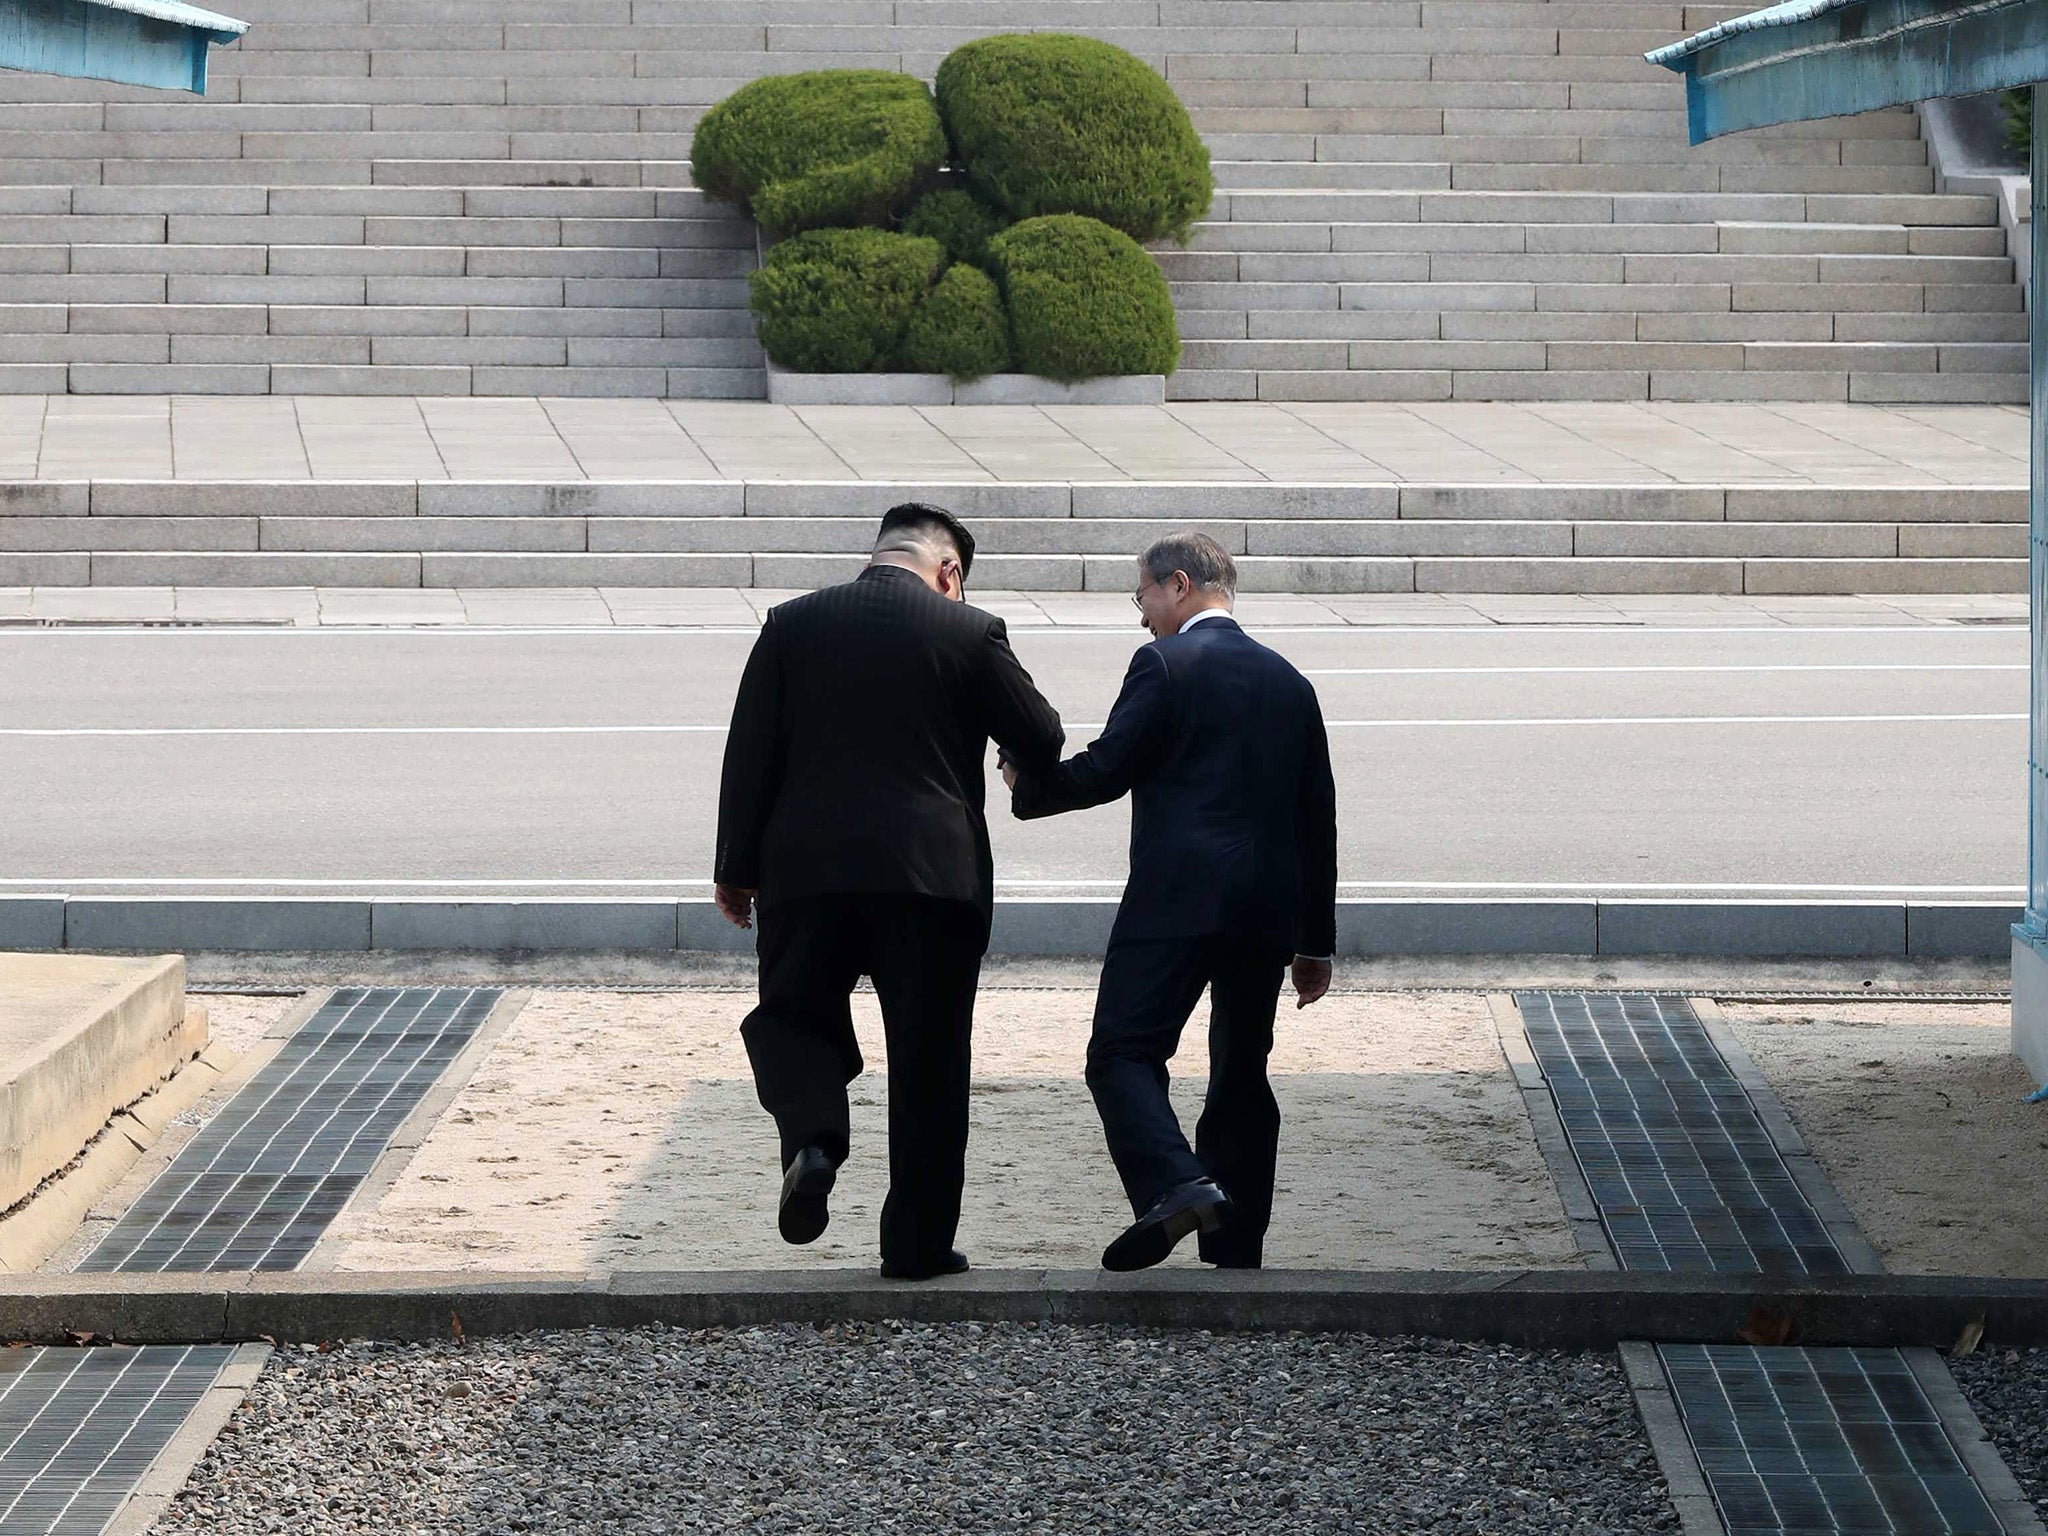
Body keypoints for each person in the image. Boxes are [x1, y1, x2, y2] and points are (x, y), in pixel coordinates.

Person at [713, 503, 1064, 1281]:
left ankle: (812, 1139)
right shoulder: (969, 632)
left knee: (791, 1018)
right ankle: (916, 1247)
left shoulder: (791, 625)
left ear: (878, 554)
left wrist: (734, 869)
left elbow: (749, 752)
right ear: (951, 573)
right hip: (932, 882)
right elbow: (1042, 735)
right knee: (931, 1064)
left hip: (806, 876)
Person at [1006, 532, 1337, 1272]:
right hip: (1267, 909)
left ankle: (1176, 1183)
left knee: (1122, 1051)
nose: (1142, 614)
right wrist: (1314, 940)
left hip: (1177, 896)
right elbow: (1318, 814)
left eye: (1143, 596)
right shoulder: (1290, 679)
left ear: (1178, 584)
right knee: (1242, 1069)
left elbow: (1110, 766)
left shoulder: (1162, 661)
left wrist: (1030, 787)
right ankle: (1235, 1241)